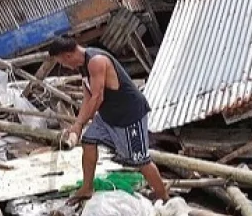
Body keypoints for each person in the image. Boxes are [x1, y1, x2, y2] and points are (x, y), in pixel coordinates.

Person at [46, 36, 169, 202]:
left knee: (141, 160)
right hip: (108, 116)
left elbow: (97, 97)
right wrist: (77, 125)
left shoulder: (96, 61)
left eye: (62, 62)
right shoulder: (82, 67)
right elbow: (87, 96)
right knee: (89, 141)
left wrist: (80, 123)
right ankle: (87, 188)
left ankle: (164, 197)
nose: (64, 66)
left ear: (68, 56)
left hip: (129, 115)